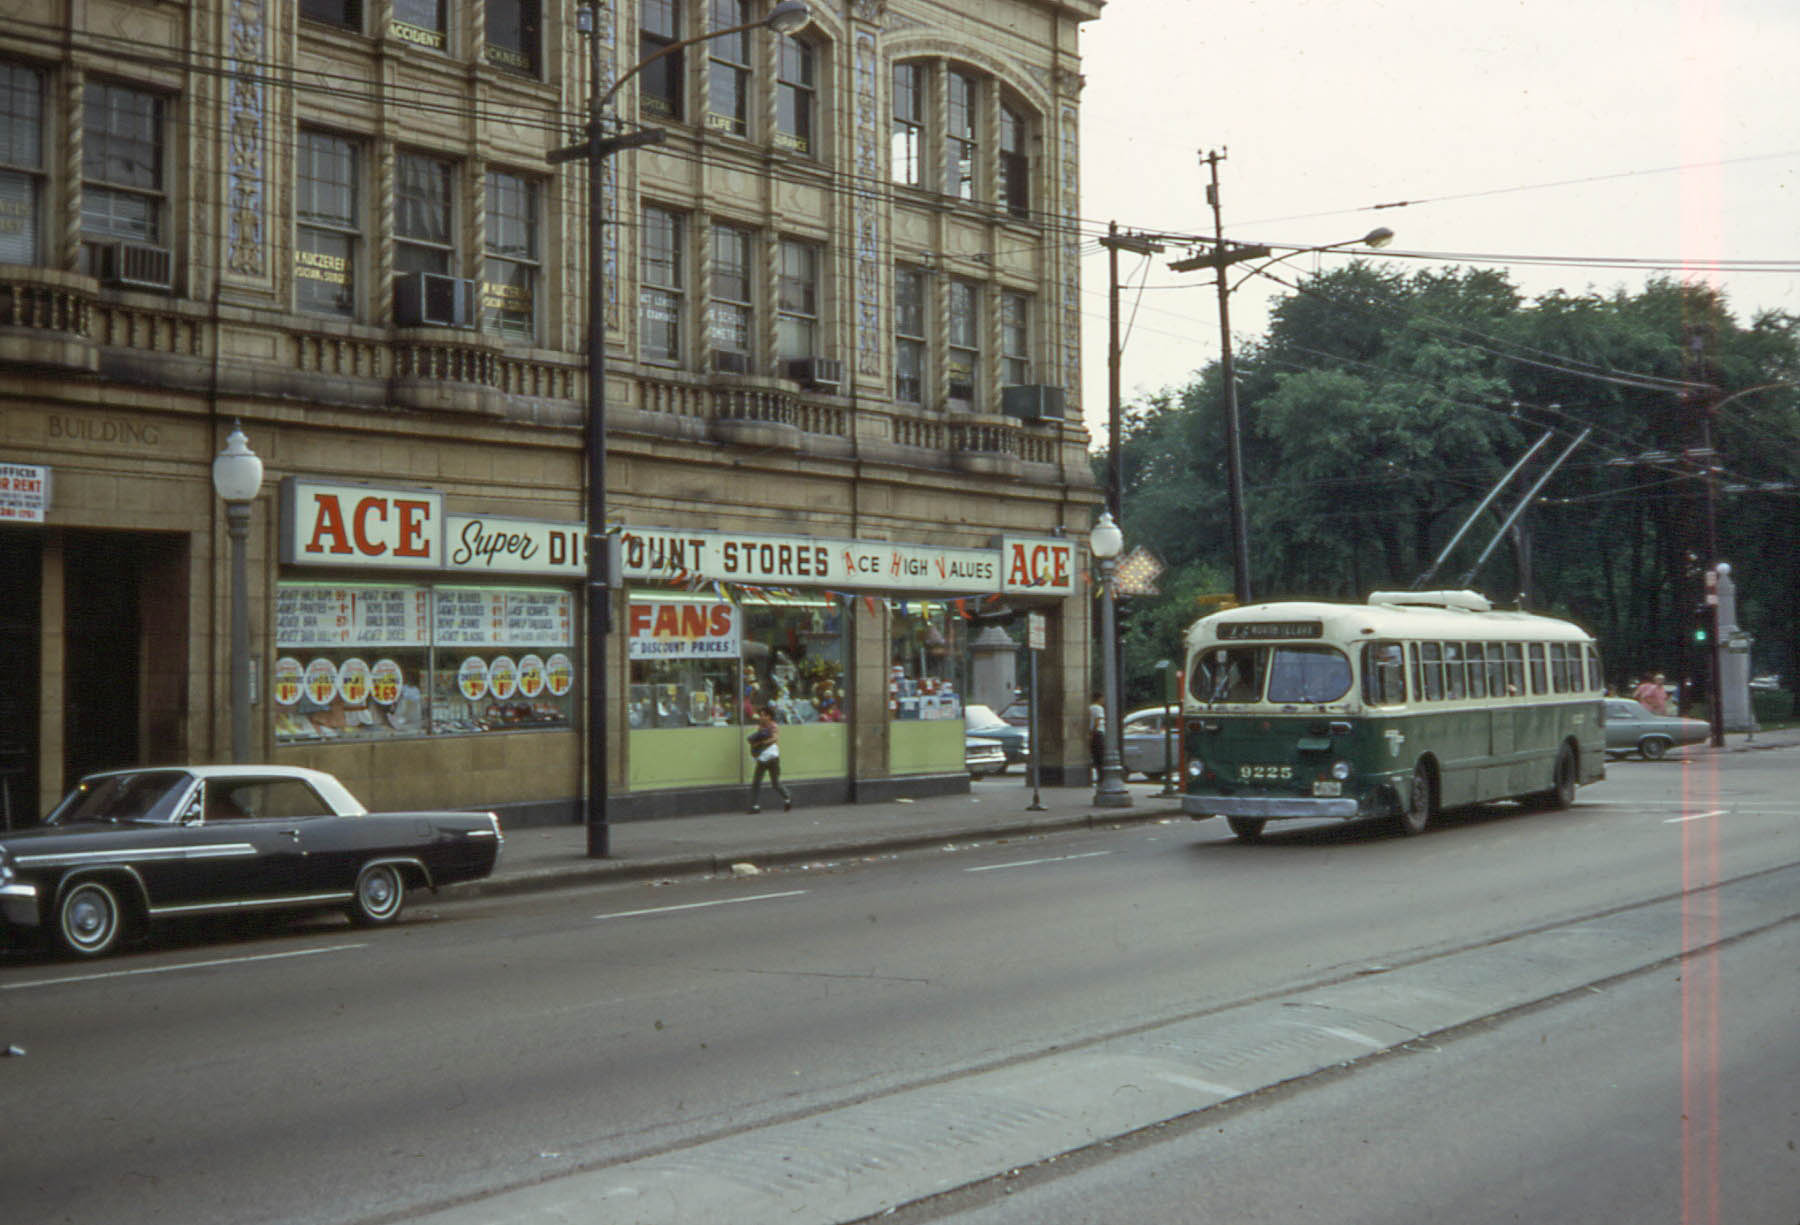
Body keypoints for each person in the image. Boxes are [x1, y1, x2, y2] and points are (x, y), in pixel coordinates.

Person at [746, 705, 791, 813]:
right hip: (762, 758)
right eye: (760, 715)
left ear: (769, 717)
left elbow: (775, 738)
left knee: (775, 783)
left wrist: (762, 742)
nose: (761, 718)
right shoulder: (760, 727)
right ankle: (755, 806)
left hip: (772, 758)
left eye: (763, 716)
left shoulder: (773, 726)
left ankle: (787, 798)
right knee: (756, 782)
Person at [1088, 691, 1106, 784]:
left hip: (1093, 733)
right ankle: (1102, 778)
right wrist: (1094, 732)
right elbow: (1097, 721)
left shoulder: (1090, 707)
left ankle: (1099, 777)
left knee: (1096, 757)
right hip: (1098, 733)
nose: (1104, 700)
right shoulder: (1099, 708)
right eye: (1103, 698)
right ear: (1099, 698)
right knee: (1101, 756)